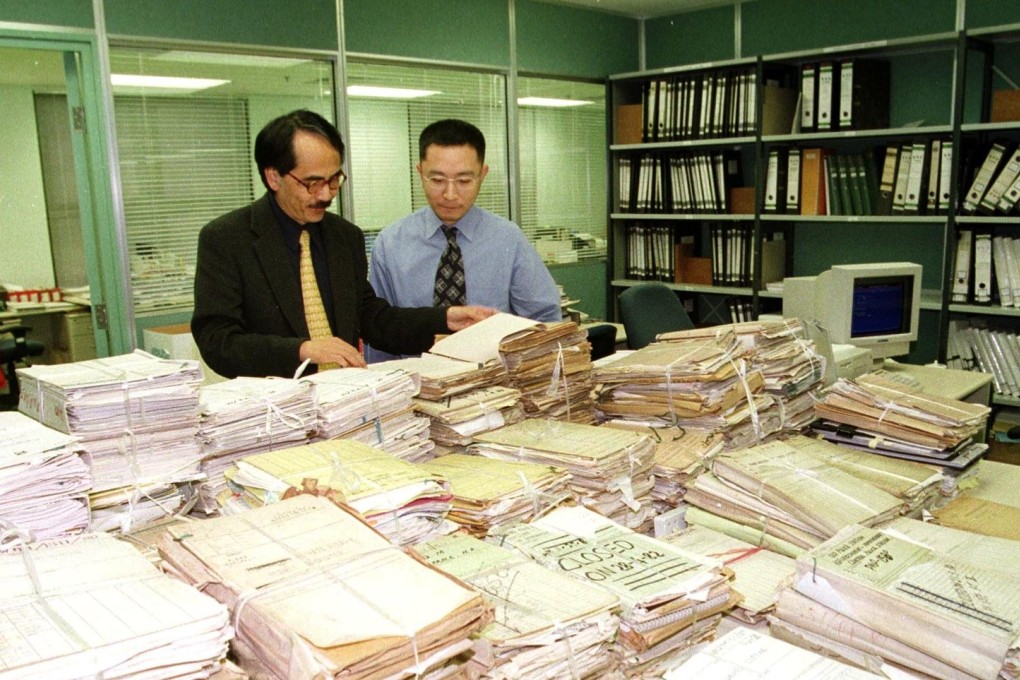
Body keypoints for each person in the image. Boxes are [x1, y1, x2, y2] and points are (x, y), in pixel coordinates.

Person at [192, 109, 494, 379]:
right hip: (274, 414)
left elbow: (372, 319)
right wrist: (303, 350)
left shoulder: (343, 237)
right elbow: (218, 342)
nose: (326, 194)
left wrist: (443, 319)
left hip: (344, 403)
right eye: (312, 183)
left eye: (334, 179)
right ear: (274, 177)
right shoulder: (228, 239)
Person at [366, 118, 561, 362]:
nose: (450, 194)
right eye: (437, 180)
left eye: (464, 181)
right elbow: (378, 332)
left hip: (496, 386)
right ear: (420, 172)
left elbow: (544, 319)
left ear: (482, 174)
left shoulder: (508, 240)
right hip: (416, 386)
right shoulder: (390, 245)